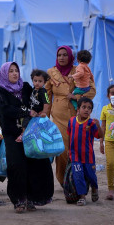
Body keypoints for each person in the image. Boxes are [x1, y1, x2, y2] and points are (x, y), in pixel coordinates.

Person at [0, 62, 54, 213]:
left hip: (31, 132)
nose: (15, 74)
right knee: (16, 165)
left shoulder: (27, 87)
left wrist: (42, 110)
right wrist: (27, 112)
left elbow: (39, 101)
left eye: (16, 71)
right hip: (12, 133)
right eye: (11, 71)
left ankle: (31, 198)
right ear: (4, 74)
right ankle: (19, 200)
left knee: (34, 163)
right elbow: (5, 110)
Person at [45, 45, 96, 187]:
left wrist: (76, 96)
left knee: (78, 148)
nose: (61, 58)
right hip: (58, 117)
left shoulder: (80, 69)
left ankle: (80, 178)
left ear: (70, 57)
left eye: (64, 55)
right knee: (62, 149)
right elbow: (47, 97)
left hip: (77, 117)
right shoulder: (50, 72)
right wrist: (45, 118)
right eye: (59, 55)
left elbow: (92, 90)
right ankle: (63, 180)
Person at [66, 97, 103, 206]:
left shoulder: (91, 123)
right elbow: (69, 135)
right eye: (84, 107)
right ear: (78, 109)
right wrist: (69, 149)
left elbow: (100, 135)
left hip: (88, 156)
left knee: (91, 175)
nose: (86, 110)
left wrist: (98, 126)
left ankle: (95, 188)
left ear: (91, 111)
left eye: (89, 108)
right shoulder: (72, 121)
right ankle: (82, 197)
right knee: (78, 176)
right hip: (75, 156)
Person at [15, 69, 50, 142]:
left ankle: (23, 135)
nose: (37, 83)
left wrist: (44, 112)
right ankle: (25, 133)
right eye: (35, 81)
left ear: (44, 82)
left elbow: (46, 103)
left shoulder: (43, 92)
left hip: (38, 113)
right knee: (25, 121)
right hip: (31, 111)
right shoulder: (34, 89)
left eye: (40, 81)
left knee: (29, 123)